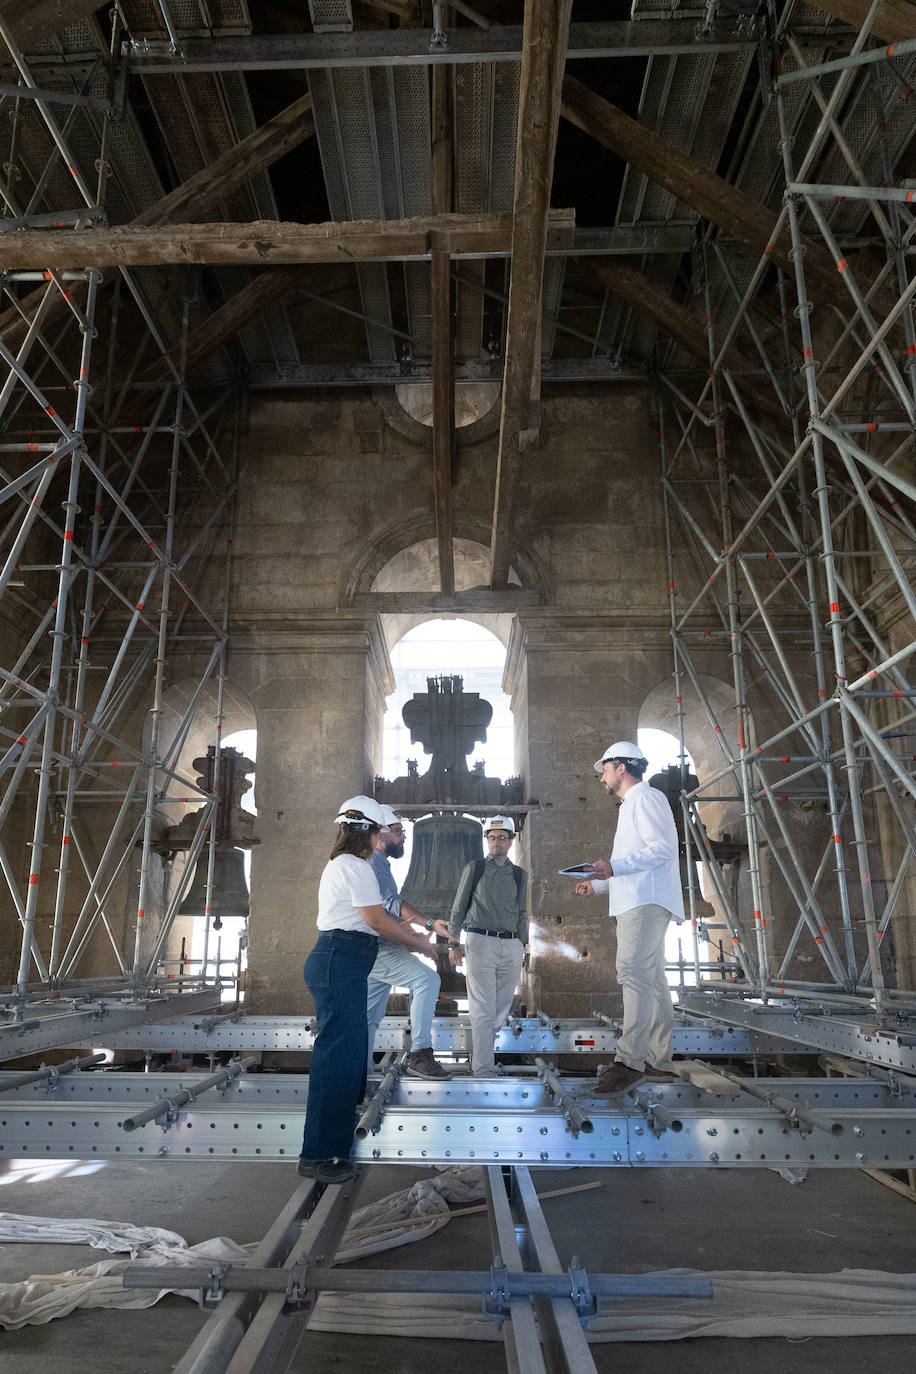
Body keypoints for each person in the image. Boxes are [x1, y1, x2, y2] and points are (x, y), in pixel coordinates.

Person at [298, 795, 435, 1185]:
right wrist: (421, 944)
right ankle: (319, 1154)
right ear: (371, 832)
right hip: (339, 957)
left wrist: (411, 932)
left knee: (349, 1051)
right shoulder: (354, 866)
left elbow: (380, 915)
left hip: (346, 958)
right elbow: (376, 919)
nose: (384, 837)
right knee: (337, 1057)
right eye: (381, 830)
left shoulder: (350, 865)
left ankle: (334, 1144)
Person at [574, 741, 684, 1096]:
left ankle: (630, 1063)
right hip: (640, 899)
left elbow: (662, 850)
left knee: (633, 974)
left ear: (621, 767)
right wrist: (601, 886)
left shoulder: (646, 798)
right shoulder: (631, 805)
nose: (602, 777)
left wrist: (613, 867)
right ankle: (657, 1060)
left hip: (644, 903)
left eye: (604, 769)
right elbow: (635, 863)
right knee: (651, 980)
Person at [366, 804, 452, 1080]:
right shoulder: (372, 861)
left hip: (378, 948)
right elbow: (390, 903)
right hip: (379, 949)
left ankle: (360, 1078)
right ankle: (420, 1053)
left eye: (404, 831)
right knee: (427, 980)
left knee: (368, 1021)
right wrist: (426, 926)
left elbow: (389, 907)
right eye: (398, 832)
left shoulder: (377, 862)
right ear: (379, 834)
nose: (404, 837)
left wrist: (414, 935)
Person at [448, 815, 528, 1077]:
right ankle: (484, 1069)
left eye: (501, 838)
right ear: (487, 841)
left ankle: (480, 1058)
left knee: (500, 1008)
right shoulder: (475, 868)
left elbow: (522, 911)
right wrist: (453, 943)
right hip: (479, 942)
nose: (496, 843)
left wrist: (523, 944)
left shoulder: (519, 875)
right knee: (483, 1007)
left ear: (510, 841)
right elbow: (459, 907)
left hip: (511, 944)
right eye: (492, 838)